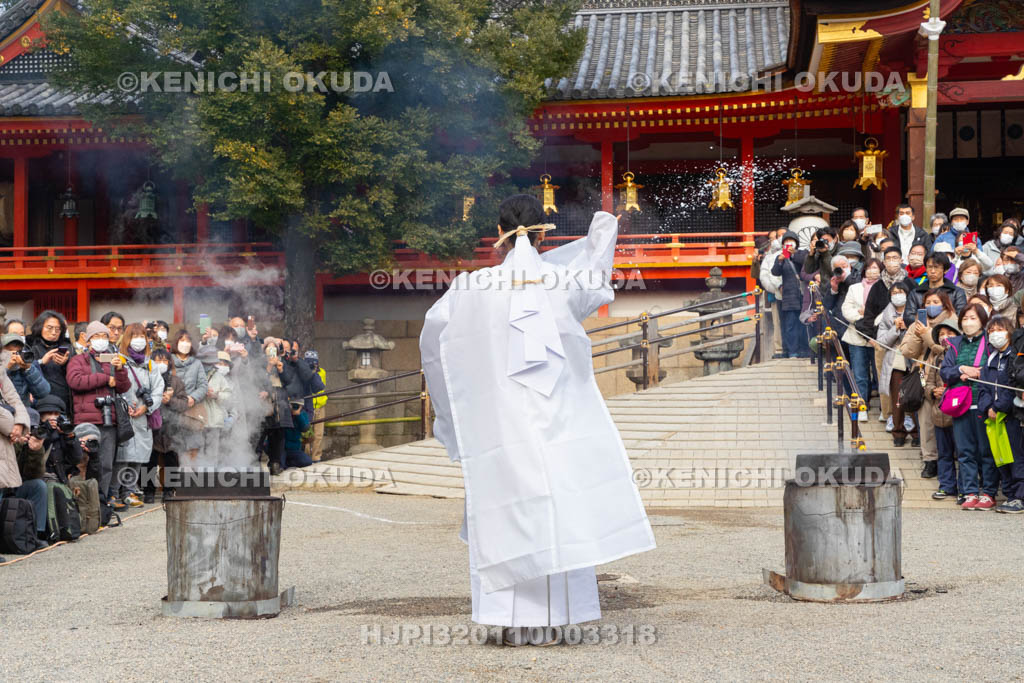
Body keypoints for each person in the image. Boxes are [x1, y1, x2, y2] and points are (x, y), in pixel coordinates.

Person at [420, 195, 654, 644]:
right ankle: (555, 619)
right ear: (545, 233)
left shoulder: (471, 288)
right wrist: (604, 231)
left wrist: (453, 411)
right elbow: (596, 280)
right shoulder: (562, 282)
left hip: (500, 422)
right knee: (557, 510)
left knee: (506, 511)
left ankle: (509, 621)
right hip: (557, 419)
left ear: (499, 234)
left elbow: (435, 339)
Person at [65, 321, 131, 511]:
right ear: (88, 340)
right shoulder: (78, 360)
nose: (101, 340)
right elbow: (74, 381)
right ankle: (81, 505)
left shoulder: (113, 359)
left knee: (106, 465)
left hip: (109, 419)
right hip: (86, 421)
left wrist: (120, 370)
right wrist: (105, 378)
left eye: (104, 336)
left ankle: (100, 506)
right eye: (96, 336)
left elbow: (124, 387)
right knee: (84, 463)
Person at [940, 304, 999, 511]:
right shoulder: (955, 343)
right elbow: (944, 372)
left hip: (983, 404)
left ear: (982, 321)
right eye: (964, 319)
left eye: (973, 318)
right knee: (965, 452)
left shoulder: (990, 342)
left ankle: (989, 492)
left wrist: (980, 372)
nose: (968, 322)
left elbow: (997, 370)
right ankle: (970, 491)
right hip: (961, 404)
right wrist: (961, 369)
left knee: (986, 451)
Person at [974, 315, 1022, 514]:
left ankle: (1019, 496)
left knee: (1016, 457)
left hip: (1010, 416)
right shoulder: (991, 358)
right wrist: (987, 407)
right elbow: (983, 387)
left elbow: (1012, 387)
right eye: (991, 331)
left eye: (999, 330)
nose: (995, 334)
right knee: (1000, 457)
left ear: (1009, 332)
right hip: (992, 417)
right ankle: (1010, 494)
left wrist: (999, 407)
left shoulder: (1014, 355)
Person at [112, 323, 164, 507]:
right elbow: (115, 386)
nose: (139, 340)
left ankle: (129, 491)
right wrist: (125, 405)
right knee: (122, 456)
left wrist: (146, 408)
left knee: (139, 456)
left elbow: (158, 389)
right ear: (127, 339)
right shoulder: (118, 360)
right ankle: (113, 492)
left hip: (143, 416)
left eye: (142, 336)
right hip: (123, 416)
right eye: (134, 336)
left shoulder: (150, 364)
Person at [900, 289, 956, 459]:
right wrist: (918, 335)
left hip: (945, 375)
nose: (931, 306)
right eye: (928, 303)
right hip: (922, 375)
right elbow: (907, 351)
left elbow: (947, 350)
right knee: (925, 419)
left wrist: (927, 335)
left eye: (936, 302)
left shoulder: (952, 322)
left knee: (949, 419)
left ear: (945, 304)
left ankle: (949, 457)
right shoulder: (917, 323)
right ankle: (929, 458)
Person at [925, 320, 959, 501]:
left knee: (963, 453)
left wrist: (948, 391)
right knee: (944, 453)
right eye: (941, 334)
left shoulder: (962, 355)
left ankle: (966, 488)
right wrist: (932, 391)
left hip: (959, 412)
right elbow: (928, 382)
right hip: (939, 412)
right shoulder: (937, 357)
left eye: (950, 333)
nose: (945, 337)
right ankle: (946, 486)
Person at [841, 257, 881, 406]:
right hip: (856, 335)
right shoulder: (854, 288)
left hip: (877, 337)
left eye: (875, 268)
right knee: (859, 374)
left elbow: (885, 311)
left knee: (879, 373)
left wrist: (868, 314)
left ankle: (884, 408)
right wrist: (861, 319)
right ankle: (861, 404)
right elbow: (846, 309)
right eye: (869, 268)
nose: (872, 271)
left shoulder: (884, 288)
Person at [144, 349, 181, 503]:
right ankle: (148, 491)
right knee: (149, 460)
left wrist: (171, 400)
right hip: (151, 424)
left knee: (171, 460)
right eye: (158, 361)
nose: (162, 364)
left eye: (165, 360)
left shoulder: (176, 381)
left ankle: (169, 490)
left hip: (171, 426)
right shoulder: (146, 377)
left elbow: (184, 402)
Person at [168, 330, 207, 463]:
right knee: (172, 449)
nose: (185, 343)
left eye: (188, 341)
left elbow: (203, 385)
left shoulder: (197, 363)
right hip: (171, 409)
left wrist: (193, 397)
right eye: (182, 340)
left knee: (193, 446)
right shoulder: (168, 361)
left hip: (191, 411)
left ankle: (189, 472)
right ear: (176, 342)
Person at [27, 311, 74, 419]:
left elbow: (76, 375)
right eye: (49, 328)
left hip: (63, 400)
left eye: (58, 329)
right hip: (39, 401)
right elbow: (24, 371)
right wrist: (41, 362)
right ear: (40, 327)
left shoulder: (68, 348)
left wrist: (65, 363)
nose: (54, 332)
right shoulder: (30, 347)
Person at [771, 231, 810, 358]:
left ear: (796, 243)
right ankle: (792, 351)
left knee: (804, 323)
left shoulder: (802, 253)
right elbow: (775, 272)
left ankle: (805, 350)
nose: (788, 243)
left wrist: (794, 254)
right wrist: (780, 261)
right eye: (786, 241)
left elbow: (806, 262)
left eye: (791, 241)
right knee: (790, 325)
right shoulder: (781, 257)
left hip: (803, 295)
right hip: (788, 296)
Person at [197, 347, 233, 463]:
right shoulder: (194, 373)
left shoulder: (219, 376)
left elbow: (228, 395)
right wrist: (200, 393)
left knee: (212, 453)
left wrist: (216, 395)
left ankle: (211, 472)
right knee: (197, 452)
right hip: (197, 419)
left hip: (214, 420)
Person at [2, 332, 50, 406]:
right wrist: (6, 368)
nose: (15, 356)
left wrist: (28, 369)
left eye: (18, 352)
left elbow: (43, 393)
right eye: (10, 352)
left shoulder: (27, 365)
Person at [304, 350, 328, 462]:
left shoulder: (322, 372)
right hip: (308, 406)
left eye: (314, 362)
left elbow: (320, 386)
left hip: (320, 405)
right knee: (306, 431)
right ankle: (306, 455)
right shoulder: (303, 372)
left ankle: (316, 456)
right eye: (309, 362)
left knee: (319, 433)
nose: (313, 364)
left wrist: (314, 371)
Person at [282, 400, 313, 471]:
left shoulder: (303, 414)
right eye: (293, 405)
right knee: (281, 465)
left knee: (307, 461)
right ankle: (281, 462)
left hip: (295, 450)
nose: (294, 407)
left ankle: (287, 463)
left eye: (297, 406)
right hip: (283, 449)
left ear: (301, 406)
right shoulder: (283, 413)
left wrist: (298, 415)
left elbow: (305, 428)